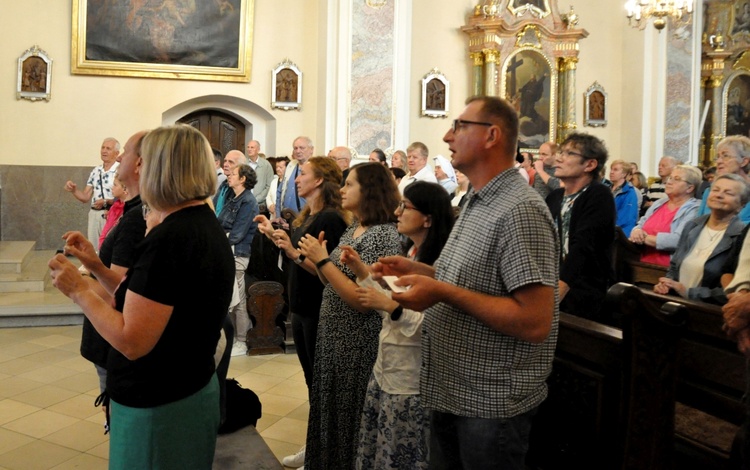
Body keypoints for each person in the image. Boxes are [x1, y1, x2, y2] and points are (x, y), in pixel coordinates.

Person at [376, 96, 558, 469]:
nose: (447, 135)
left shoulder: (519, 209)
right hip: (452, 388)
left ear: (492, 135)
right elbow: (463, 280)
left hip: (490, 402)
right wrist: (417, 273)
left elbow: (535, 320)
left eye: (459, 126)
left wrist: (440, 291)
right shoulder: (477, 199)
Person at [49, 124, 235, 469]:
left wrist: (78, 289)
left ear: (162, 168)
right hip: (185, 389)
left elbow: (133, 340)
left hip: (160, 403)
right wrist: (95, 267)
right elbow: (148, 300)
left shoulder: (171, 238)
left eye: (144, 161)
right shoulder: (199, 222)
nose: (135, 168)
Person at [336, 181, 455, 470]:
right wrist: (361, 271)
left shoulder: (441, 264)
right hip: (387, 368)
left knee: (401, 455)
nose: (397, 211)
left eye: (405, 206)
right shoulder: (410, 255)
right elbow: (387, 305)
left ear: (428, 218)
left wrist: (388, 305)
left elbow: (427, 324)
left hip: (412, 380)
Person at [297, 163, 402, 470]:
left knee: (350, 415)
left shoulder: (383, 235)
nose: (341, 190)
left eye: (349, 185)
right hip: (333, 332)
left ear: (368, 190)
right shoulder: (353, 228)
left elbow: (362, 300)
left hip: (356, 339)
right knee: (328, 407)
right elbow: (330, 281)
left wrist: (321, 260)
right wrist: (320, 262)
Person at [254, 157, 350, 469]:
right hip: (302, 306)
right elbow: (296, 254)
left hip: (320, 306)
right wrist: (275, 236)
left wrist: (293, 253)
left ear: (321, 180)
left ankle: (322, 452)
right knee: (312, 384)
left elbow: (329, 272)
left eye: (303, 174)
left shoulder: (332, 219)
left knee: (320, 386)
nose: (296, 179)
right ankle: (314, 446)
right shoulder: (310, 215)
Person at [69, 131, 148, 406]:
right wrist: (91, 259)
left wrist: (77, 286)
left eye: (124, 151)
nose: (119, 157)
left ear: (139, 165)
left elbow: (118, 288)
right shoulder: (133, 211)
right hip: (110, 336)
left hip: (115, 335)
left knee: (115, 409)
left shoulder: (137, 217)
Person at [546, 133, 615, 322]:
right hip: (550, 283)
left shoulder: (598, 195)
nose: (559, 158)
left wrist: (557, 294)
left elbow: (584, 246)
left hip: (584, 290)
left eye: (569, 153)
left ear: (590, 164)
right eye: (560, 152)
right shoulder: (554, 197)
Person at [654, 174, 749, 304]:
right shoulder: (693, 225)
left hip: (710, 310)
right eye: (715, 190)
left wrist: (689, 292)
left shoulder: (742, 235)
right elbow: (675, 265)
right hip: (677, 302)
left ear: (742, 204)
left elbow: (734, 288)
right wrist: (667, 284)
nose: (719, 195)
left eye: (728, 193)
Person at [218, 164, 259, 356]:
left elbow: (238, 233)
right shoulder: (232, 197)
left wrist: (218, 238)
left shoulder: (248, 201)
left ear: (243, 179)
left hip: (238, 254)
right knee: (229, 297)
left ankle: (242, 340)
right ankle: (234, 336)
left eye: (233, 174)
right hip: (227, 251)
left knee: (238, 299)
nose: (229, 176)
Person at [630, 165, 702, 266]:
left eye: (676, 179)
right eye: (670, 178)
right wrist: (636, 231)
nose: (669, 182)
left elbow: (678, 240)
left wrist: (643, 238)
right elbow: (640, 224)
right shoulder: (659, 203)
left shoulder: (695, 208)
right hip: (641, 263)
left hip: (668, 269)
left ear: (690, 188)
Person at [64, 137, 120, 245]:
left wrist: (106, 201)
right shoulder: (96, 171)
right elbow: (85, 197)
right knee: (94, 249)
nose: (104, 151)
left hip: (111, 214)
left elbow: (125, 197)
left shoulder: (120, 170)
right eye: (102, 147)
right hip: (94, 214)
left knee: (109, 249)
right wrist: (74, 190)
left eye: (108, 148)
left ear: (116, 153)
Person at [696, 135, 750, 224]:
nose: (719, 161)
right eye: (718, 157)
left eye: (725, 156)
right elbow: (698, 223)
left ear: (744, 161)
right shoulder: (710, 191)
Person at [276, 136, 314, 219]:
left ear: (311, 149)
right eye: (295, 148)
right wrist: (278, 215)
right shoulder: (290, 166)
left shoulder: (316, 168)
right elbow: (280, 191)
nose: (298, 151)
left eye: (302, 148)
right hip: (285, 218)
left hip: (305, 218)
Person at [609, 159, 639, 237]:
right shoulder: (607, 189)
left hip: (618, 235)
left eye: (615, 170)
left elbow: (628, 219)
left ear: (624, 174)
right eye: (611, 169)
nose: (611, 172)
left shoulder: (630, 193)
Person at [97, 174, 127, 249]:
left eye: (115, 185)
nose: (112, 188)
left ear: (125, 189)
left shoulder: (127, 209)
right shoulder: (114, 207)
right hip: (106, 246)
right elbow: (107, 229)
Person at [213, 149, 247, 215]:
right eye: (225, 161)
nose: (225, 164)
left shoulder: (239, 188)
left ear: (241, 167)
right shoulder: (224, 184)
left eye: (231, 162)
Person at [246, 140, 274, 214]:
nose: (249, 149)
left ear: (258, 149)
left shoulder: (266, 165)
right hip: (245, 203)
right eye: (248, 147)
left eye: (252, 147)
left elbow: (269, 186)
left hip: (260, 205)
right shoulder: (243, 163)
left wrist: (256, 199)